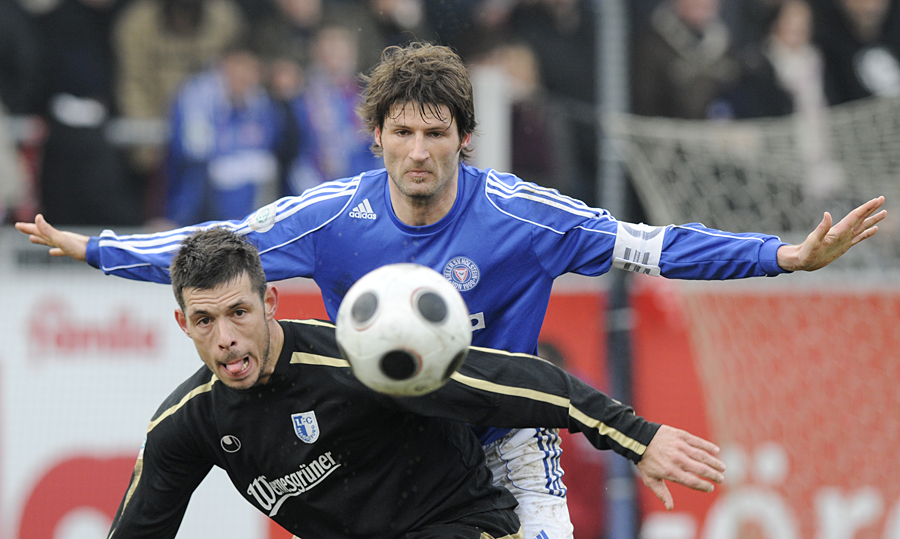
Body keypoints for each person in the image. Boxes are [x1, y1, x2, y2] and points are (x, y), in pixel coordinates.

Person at [17, 42, 886, 539]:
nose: (420, 151)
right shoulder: (330, 217)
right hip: (389, 439)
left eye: (437, 132)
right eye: (402, 132)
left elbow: (650, 246)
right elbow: (211, 258)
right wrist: (94, 247)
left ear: (466, 138)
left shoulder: (523, 215)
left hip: (503, 434)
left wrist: (782, 256)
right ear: (377, 139)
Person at [108, 226, 726, 538]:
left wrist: (635, 435)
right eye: (204, 321)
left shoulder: (365, 359)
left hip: (463, 524)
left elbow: (513, 382)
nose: (225, 339)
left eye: (239, 312)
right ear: (181, 323)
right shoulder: (186, 423)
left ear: (269, 301)